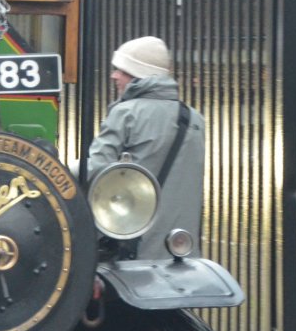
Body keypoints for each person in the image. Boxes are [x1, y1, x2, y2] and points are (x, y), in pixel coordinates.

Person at [85, 36, 206, 256]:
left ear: (137, 73)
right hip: (181, 249)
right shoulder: (194, 119)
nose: (114, 76)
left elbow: (95, 173)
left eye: (120, 70)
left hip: (133, 248)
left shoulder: (126, 114)